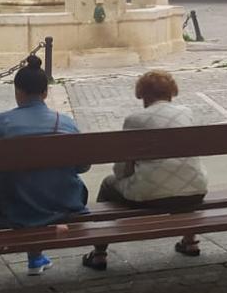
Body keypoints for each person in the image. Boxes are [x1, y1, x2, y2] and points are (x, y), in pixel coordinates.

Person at [0, 57, 88, 275]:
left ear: (17, 91)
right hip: (62, 203)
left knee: (23, 185)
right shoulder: (67, 123)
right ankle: (36, 258)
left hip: (14, 205)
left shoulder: (0, 123)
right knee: (44, 182)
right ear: (45, 92)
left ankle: (36, 258)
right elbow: (82, 167)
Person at [81, 71, 208, 271]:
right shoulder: (186, 113)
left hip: (150, 196)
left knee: (108, 184)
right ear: (171, 93)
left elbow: (121, 170)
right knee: (181, 176)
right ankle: (190, 241)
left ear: (143, 94)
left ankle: (99, 253)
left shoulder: (135, 120)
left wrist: (130, 173)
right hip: (195, 191)